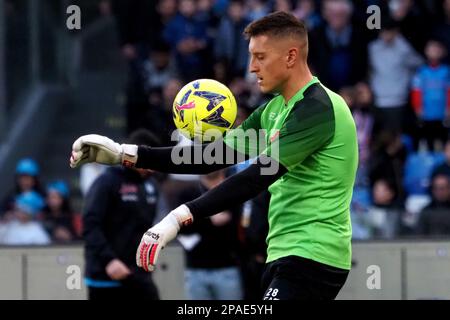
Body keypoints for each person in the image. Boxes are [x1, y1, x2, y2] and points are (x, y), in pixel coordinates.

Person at [70, 12, 358, 300]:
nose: (251, 67)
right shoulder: (273, 111)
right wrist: (126, 154)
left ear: (291, 56)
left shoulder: (318, 109)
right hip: (285, 253)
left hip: (314, 255)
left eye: (260, 57)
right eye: (250, 57)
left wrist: (178, 217)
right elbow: (212, 156)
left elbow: (258, 176)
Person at [82, 129, 163, 300]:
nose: (153, 169)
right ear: (134, 157)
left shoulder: (152, 186)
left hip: (139, 275)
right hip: (107, 276)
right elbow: (90, 225)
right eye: (149, 161)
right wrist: (109, 260)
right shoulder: (107, 182)